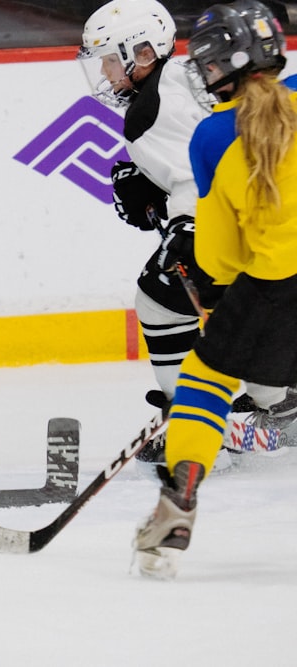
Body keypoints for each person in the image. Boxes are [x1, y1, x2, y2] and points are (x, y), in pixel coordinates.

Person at [133, 0, 297, 579]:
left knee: (205, 378)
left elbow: (219, 262)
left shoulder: (212, 136)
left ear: (214, 67)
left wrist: (214, 302)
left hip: (273, 290)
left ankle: (177, 505)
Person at [78, 1, 215, 438]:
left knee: (158, 300)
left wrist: (184, 224)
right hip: (269, 210)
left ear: (141, 53)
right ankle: (273, 399)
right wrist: (152, 182)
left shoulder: (147, 113)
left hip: (239, 220)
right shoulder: (184, 74)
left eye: (108, 61)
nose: (104, 74)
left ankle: (196, 419)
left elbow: (196, 180)